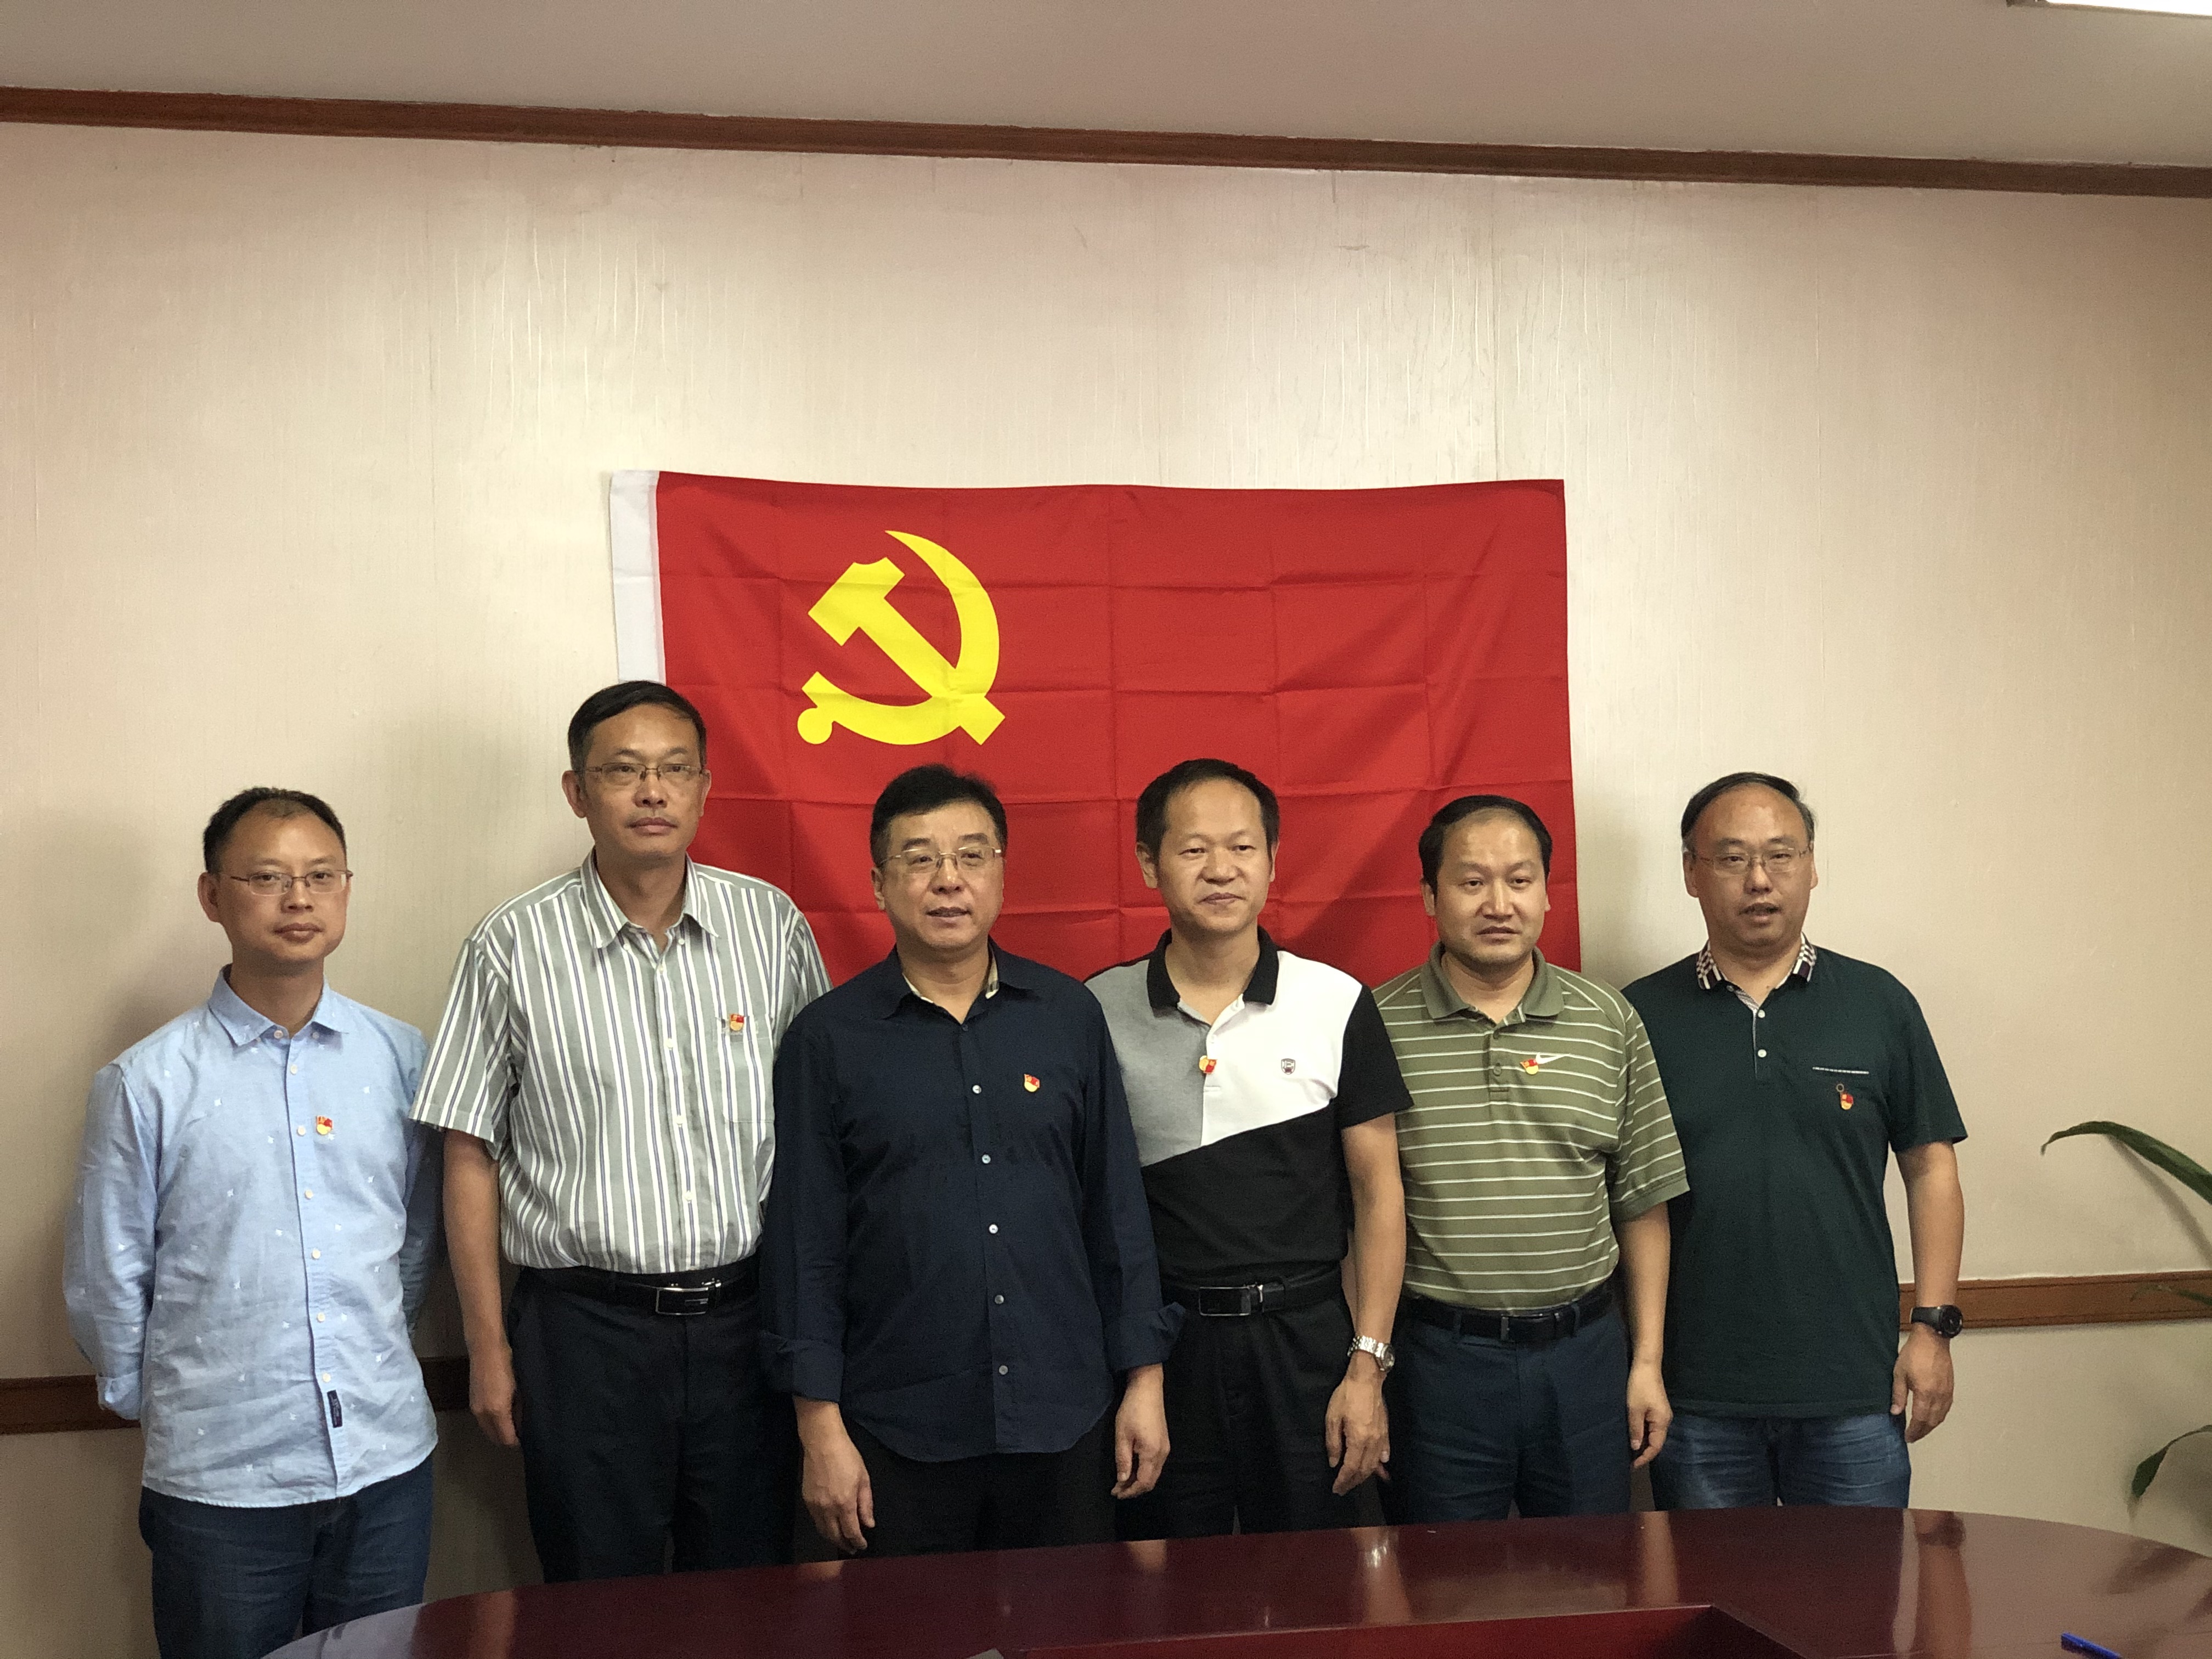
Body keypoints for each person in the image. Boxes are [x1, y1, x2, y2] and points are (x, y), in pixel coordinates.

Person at [410, 681, 828, 1580]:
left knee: (751, 1597)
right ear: (577, 792)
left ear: (705, 788)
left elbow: (820, 1134)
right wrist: (487, 1348)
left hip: (750, 1326)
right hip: (584, 1338)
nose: (652, 791)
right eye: (623, 771)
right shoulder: (511, 945)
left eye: (676, 769)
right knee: (600, 1603)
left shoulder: (771, 927)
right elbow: (468, 1150)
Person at [761, 763, 1180, 1558]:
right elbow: (806, 1246)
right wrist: (819, 1427)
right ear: (879, 884)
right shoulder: (828, 1038)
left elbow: (1116, 1212)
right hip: (896, 1430)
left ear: (1000, 873)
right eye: (919, 859)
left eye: (971, 856)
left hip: (1065, 1418)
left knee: (1072, 1621)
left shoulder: (1067, 1017)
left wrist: (1145, 1381)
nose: (947, 880)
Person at [65, 788, 441, 1659]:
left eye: (321, 876)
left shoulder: (401, 1059)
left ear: (347, 890)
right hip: (221, 1481)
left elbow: (417, 1241)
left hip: (386, 1463)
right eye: (267, 877)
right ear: (213, 896)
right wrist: (169, 1405)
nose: (298, 898)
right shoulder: (146, 1082)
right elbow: (108, 1274)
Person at [1624, 771, 1967, 1509]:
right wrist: (1642, 1362)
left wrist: (1933, 1329)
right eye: (1732, 858)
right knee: (1713, 1586)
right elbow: (1625, 1198)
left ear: (1812, 867)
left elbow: (1931, 1168)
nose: (1759, 879)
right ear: (1691, 872)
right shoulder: (1637, 1017)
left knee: (1856, 1586)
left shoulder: (1879, 1003)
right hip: (1696, 1395)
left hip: (1854, 1389)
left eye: (1781, 855)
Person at [1086, 758, 1408, 1538]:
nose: (1221, 869)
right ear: (1149, 863)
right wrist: (1134, 1370)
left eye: (1242, 847)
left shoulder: (1335, 1001)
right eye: (1194, 849)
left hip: (1307, 1344)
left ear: (1271, 860)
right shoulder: (1096, 1008)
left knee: (1316, 1579)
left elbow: (1379, 1195)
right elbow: (1092, 1208)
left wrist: (1367, 1367)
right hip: (1166, 1350)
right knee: (1163, 1581)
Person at [1373, 794, 1686, 1521]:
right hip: (1437, 1363)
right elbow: (1358, 1213)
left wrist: (1646, 1363)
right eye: (1471, 881)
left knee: (1592, 1574)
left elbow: (1642, 1203)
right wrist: (1369, 1369)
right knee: (1444, 1580)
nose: (1499, 903)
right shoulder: (1374, 1026)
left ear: (1547, 893)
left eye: (1520, 880)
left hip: (1584, 1358)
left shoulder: (1608, 1019)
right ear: (1430, 896)